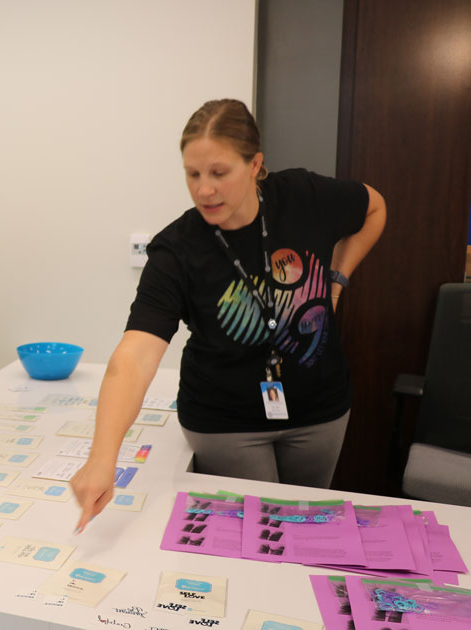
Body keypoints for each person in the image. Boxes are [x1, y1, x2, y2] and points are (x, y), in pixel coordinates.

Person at [70, 99, 385, 533]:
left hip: (321, 410)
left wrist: (337, 280)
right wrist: (102, 459)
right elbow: (135, 356)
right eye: (192, 174)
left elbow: (375, 208)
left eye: (219, 173)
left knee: (307, 534)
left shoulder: (304, 197)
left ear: (255, 164)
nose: (204, 190)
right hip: (226, 422)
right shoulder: (176, 250)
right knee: (261, 537)